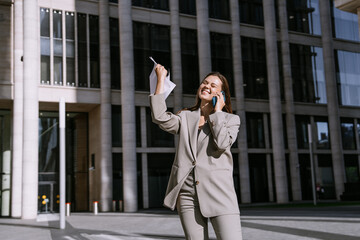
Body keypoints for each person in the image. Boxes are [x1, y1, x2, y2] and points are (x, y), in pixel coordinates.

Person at [149, 63, 243, 240]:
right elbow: (160, 117)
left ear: (221, 94)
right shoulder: (185, 116)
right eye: (204, 82)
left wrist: (217, 112)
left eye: (213, 85)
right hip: (187, 195)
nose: (206, 86)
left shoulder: (231, 119)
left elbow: (222, 143)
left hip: (219, 193)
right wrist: (160, 80)